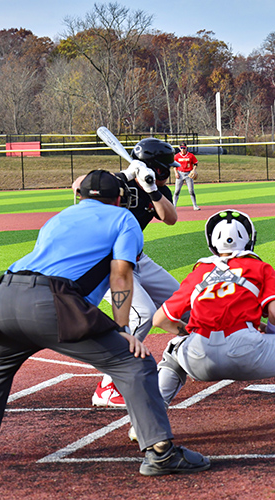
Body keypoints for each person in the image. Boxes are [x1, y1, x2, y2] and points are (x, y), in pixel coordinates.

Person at [0, 170, 209, 475]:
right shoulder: (123, 218)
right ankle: (161, 452)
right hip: (50, 302)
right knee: (134, 364)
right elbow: (121, 275)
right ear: (120, 199)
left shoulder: (60, 217)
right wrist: (123, 330)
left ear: (81, 195)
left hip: (2, 295)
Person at [131, 210, 275, 442]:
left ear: (212, 243)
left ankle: (146, 424)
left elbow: (160, 320)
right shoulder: (259, 267)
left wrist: (188, 332)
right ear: (249, 240)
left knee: (173, 350)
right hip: (247, 350)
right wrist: (270, 333)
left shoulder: (199, 272)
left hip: (197, 355)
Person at [73, 138, 183, 409]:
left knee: (182, 302)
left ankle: (199, 353)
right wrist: (123, 176)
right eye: (166, 167)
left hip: (138, 259)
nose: (170, 171)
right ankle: (107, 387)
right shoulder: (114, 183)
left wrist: (152, 189)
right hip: (111, 264)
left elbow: (170, 218)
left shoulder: (157, 186)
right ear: (156, 166)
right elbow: (79, 186)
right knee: (142, 315)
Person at [173, 142, 200, 211]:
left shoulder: (190, 155)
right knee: (177, 191)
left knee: (191, 191)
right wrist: (176, 173)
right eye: (181, 148)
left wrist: (193, 170)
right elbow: (174, 166)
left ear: (186, 148)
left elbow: (196, 163)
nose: (182, 149)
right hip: (180, 174)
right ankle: (173, 206)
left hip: (188, 174)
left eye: (184, 148)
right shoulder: (176, 156)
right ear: (179, 148)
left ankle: (195, 205)